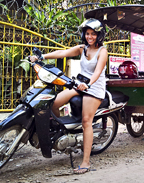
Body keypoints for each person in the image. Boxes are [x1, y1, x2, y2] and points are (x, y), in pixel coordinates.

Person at [30, 18, 108, 174]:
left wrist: (89, 84)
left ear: (99, 35)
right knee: (52, 104)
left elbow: (98, 72)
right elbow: (63, 53)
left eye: (93, 34)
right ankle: (58, 133)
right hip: (80, 85)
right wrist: (41, 57)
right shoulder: (82, 48)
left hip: (93, 88)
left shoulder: (103, 51)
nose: (90, 37)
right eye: (87, 34)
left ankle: (86, 162)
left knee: (86, 121)